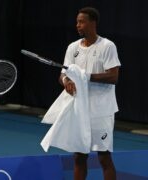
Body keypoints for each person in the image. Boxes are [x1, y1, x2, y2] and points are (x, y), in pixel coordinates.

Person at [59, 7, 121, 180]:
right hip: (80, 109)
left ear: (93, 23)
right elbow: (63, 73)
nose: (78, 25)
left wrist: (85, 76)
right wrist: (67, 81)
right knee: (79, 157)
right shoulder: (72, 48)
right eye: (77, 22)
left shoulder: (107, 46)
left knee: (104, 157)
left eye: (82, 22)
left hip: (101, 111)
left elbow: (114, 76)